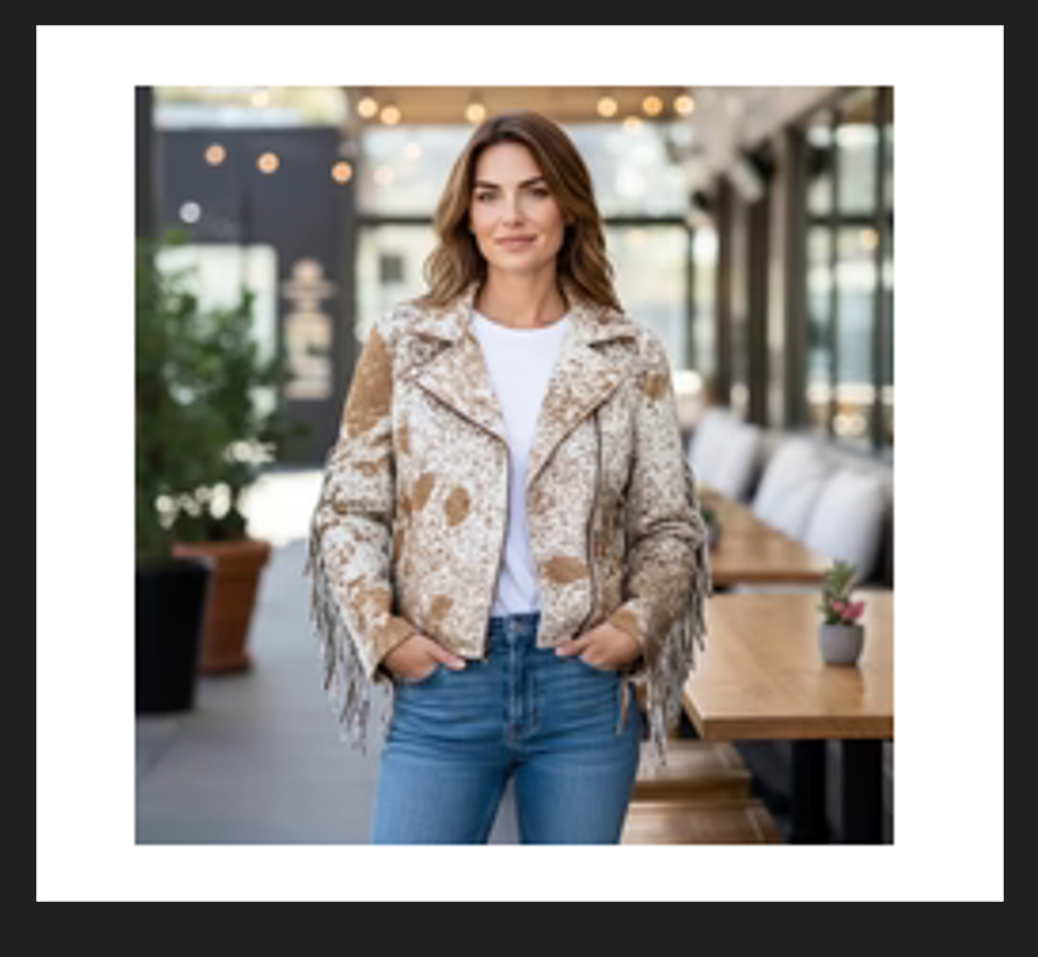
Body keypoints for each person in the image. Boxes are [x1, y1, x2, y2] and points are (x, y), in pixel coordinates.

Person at [304, 110, 711, 844]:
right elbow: (350, 508)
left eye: (534, 191)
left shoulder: (627, 353)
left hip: (583, 691)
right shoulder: (407, 342)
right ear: (466, 212)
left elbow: (668, 523)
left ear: (570, 206)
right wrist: (383, 630)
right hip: (445, 683)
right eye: (489, 194)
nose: (511, 215)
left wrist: (635, 625)